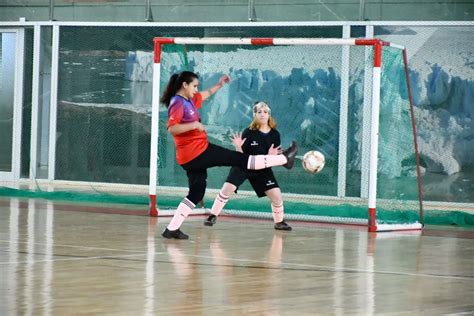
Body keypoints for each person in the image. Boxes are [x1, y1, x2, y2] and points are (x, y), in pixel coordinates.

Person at [160, 71, 298, 239]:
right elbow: (172, 128)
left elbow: (206, 94)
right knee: (239, 159)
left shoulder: (189, 101)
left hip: (190, 157)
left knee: (196, 193)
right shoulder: (177, 102)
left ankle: (172, 229)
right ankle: (285, 159)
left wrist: (220, 84)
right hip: (198, 152)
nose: (197, 90)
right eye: (194, 86)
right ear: (184, 85)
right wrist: (194, 125)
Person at [204, 101, 292, 231]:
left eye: (265, 112)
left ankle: (279, 222)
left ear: (269, 115)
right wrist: (238, 146)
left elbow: (273, 159)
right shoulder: (249, 132)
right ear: (255, 115)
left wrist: (270, 155)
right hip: (244, 165)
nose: (262, 114)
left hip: (262, 169)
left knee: (277, 196)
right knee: (227, 189)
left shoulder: (275, 135)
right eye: (259, 112)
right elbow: (240, 155)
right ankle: (212, 216)